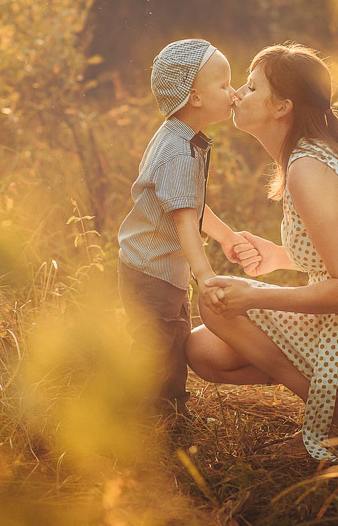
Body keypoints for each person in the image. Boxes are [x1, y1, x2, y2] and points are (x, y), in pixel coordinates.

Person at [186, 42, 338, 463]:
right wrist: (278, 257)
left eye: (251, 86)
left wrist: (255, 294)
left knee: (219, 306)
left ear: (282, 107)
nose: (238, 94)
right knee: (204, 352)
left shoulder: (309, 169)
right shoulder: (309, 158)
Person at [117, 38, 257, 422]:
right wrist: (205, 274)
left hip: (163, 269)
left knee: (175, 338)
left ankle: (169, 410)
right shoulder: (177, 152)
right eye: (224, 84)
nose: (233, 92)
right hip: (151, 271)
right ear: (195, 97)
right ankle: (144, 416)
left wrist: (226, 235)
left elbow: (191, 205)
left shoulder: (184, 140)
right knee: (157, 345)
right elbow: (183, 219)